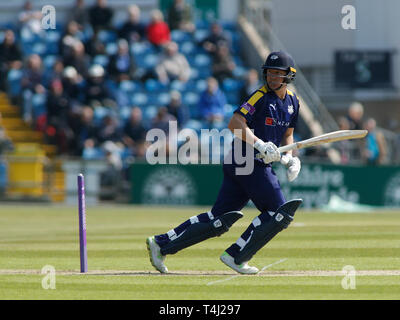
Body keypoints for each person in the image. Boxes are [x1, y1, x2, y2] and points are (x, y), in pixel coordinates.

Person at [146, 51, 302, 274]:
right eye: (269, 73)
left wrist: (291, 158)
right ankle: (237, 256)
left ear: (289, 76)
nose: (272, 78)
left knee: (217, 219)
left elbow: (288, 136)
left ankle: (161, 243)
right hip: (245, 160)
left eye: (278, 74)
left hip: (252, 163)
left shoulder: (293, 102)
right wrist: (259, 144)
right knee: (279, 212)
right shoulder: (259, 96)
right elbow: (235, 123)